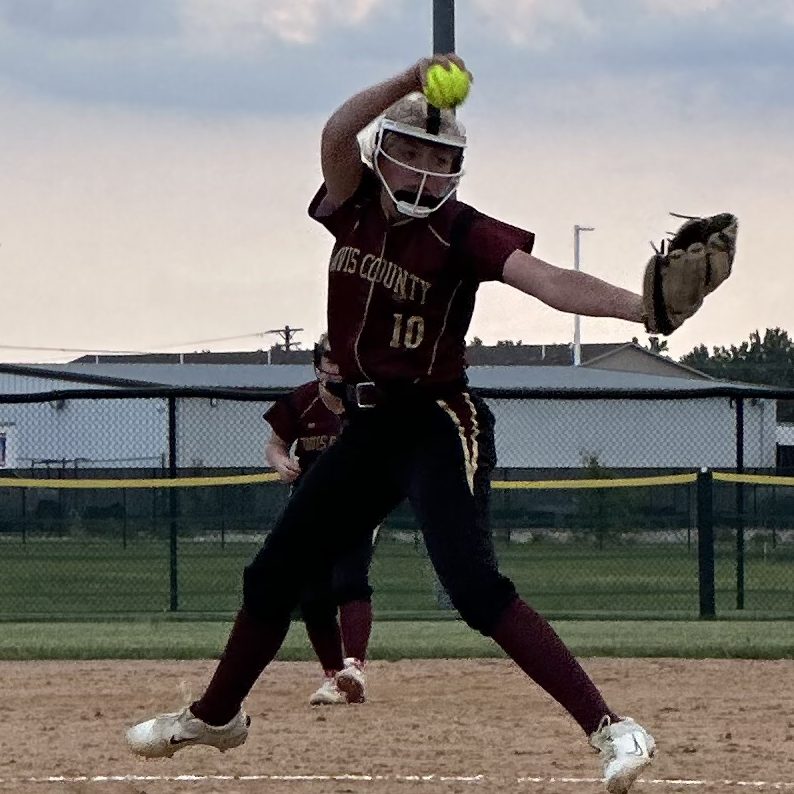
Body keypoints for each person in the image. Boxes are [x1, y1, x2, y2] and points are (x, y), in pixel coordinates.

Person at [127, 54, 657, 793]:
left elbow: (548, 281)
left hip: (437, 420)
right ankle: (217, 717)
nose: (426, 171)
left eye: (442, 160)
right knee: (273, 574)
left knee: (474, 588)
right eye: (412, 151)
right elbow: (336, 131)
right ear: (383, 152)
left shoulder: (461, 230)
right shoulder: (352, 204)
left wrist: (644, 308)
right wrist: (409, 80)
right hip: (369, 429)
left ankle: (612, 729)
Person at [263, 333, 377, 705]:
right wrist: (281, 463)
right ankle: (334, 677)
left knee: (349, 580)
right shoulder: (302, 401)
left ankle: (353, 667)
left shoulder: (370, 400)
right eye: (330, 358)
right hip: (310, 509)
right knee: (312, 595)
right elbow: (276, 444)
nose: (337, 367)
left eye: (344, 358)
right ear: (318, 363)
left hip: (359, 506)